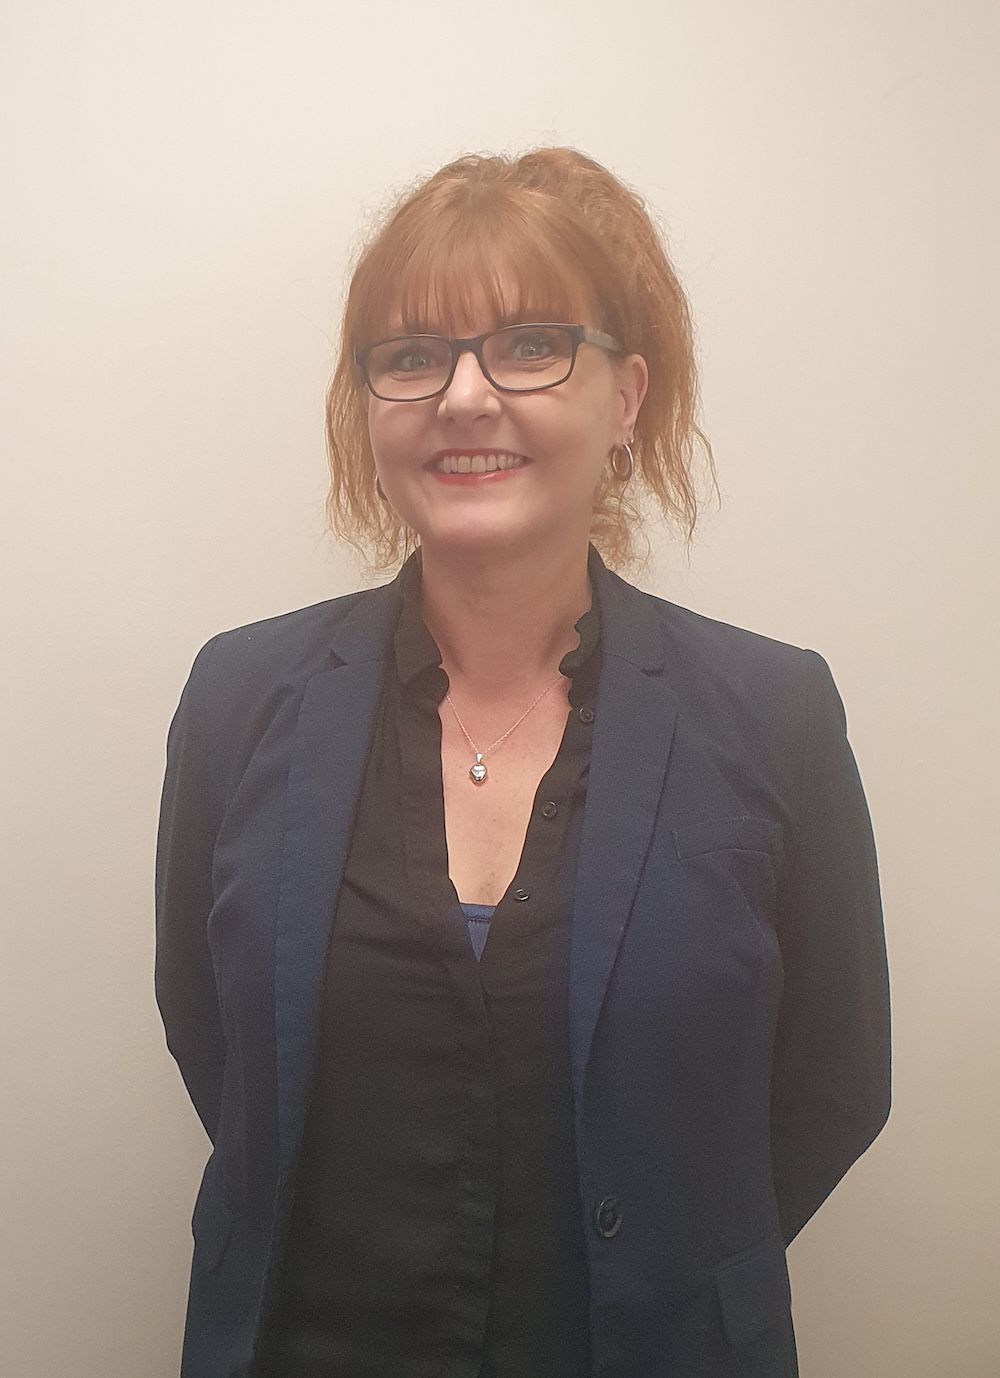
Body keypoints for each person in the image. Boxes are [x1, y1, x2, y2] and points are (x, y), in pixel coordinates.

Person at [155, 147, 891, 1378]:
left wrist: (670, 1265)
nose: (464, 395)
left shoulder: (775, 714)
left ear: (627, 396)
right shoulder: (240, 698)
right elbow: (211, 1034)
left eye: (530, 345)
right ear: (369, 407)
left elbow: (833, 1082)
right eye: (412, 355)